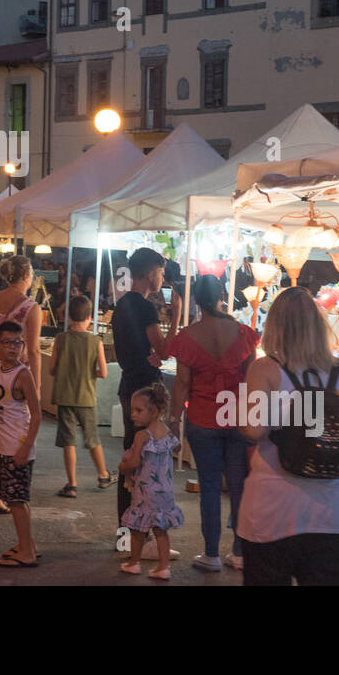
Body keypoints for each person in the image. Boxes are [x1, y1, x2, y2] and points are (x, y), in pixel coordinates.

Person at [238, 286, 339, 586]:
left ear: (274, 325)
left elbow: (254, 431)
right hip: (333, 514)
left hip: (273, 511)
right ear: (318, 326)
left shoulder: (265, 369)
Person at [168, 274, 257, 571]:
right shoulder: (243, 333)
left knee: (208, 487)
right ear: (221, 296)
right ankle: (241, 552)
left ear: (196, 301)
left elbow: (181, 383)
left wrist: (172, 419)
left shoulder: (188, 337)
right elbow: (252, 379)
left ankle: (211, 555)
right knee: (239, 486)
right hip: (236, 418)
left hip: (203, 418)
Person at [0, 255, 42, 514]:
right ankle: (6, 492)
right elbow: (34, 351)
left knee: (3, 435)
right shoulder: (30, 307)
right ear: (26, 276)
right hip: (15, 378)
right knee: (15, 436)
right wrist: (35, 387)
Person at [111, 247, 168, 532]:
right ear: (149, 273)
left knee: (130, 455)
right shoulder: (146, 308)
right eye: (161, 271)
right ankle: (139, 534)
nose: (163, 277)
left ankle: (126, 529)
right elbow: (164, 348)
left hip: (128, 383)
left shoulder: (121, 306)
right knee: (145, 458)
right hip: (144, 387)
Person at [0, 321, 41, 567]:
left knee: (16, 501)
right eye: (7, 342)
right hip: (7, 444)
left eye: (17, 342)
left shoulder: (22, 374)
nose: (13, 348)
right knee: (18, 500)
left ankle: (27, 551)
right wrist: (0, 326)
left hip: (17, 445)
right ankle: (28, 545)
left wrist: (25, 448)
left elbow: (36, 415)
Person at [50, 295, 114, 497]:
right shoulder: (95, 341)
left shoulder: (60, 339)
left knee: (68, 441)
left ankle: (71, 484)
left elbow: (52, 369)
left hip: (64, 396)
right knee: (92, 437)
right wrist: (88, 373)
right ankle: (103, 475)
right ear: (89, 316)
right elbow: (103, 372)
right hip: (86, 397)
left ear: (69, 316)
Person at [119, 383, 183, 580]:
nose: (134, 415)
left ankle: (134, 563)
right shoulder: (166, 432)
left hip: (145, 491)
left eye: (138, 410)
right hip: (165, 491)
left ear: (154, 411)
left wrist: (123, 467)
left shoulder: (142, 436)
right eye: (132, 410)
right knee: (160, 530)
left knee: (138, 529)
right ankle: (163, 567)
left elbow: (134, 462)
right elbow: (178, 448)